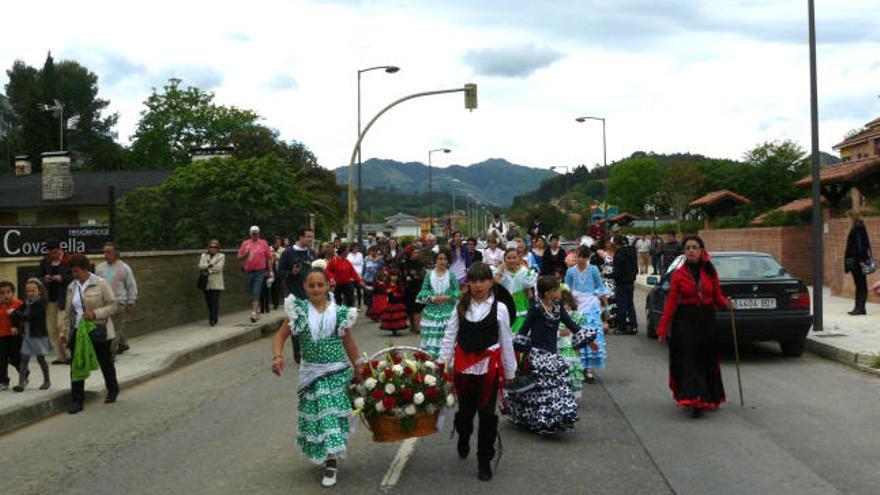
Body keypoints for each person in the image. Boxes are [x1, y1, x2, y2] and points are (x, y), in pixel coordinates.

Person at [271, 268, 361, 487]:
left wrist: (359, 365)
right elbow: (280, 336)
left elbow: (348, 342)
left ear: (328, 286)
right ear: (305, 287)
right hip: (311, 374)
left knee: (330, 415)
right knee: (319, 418)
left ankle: (331, 463)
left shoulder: (340, 313)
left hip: (337, 373)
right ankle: (327, 455)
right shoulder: (299, 311)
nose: (316, 289)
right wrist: (278, 356)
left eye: (320, 285)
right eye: (311, 285)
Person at [440, 262, 517, 481]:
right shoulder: (460, 306)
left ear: (491, 282)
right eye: (473, 281)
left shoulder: (500, 309)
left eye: (482, 280)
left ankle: (484, 459)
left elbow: (506, 342)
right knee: (466, 414)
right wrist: (442, 365)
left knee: (487, 415)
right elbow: (449, 337)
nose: (477, 285)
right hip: (464, 370)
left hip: (489, 371)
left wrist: (510, 372)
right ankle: (463, 435)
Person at [657, 235, 732, 418]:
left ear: (701, 250)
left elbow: (717, 296)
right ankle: (694, 399)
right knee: (690, 359)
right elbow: (671, 303)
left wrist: (727, 304)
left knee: (705, 359)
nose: (691, 250)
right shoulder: (679, 274)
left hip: (706, 319)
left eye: (694, 247)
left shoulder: (710, 271)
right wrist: (662, 328)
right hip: (685, 320)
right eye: (688, 248)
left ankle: (707, 396)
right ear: (684, 252)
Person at [508, 276, 593, 434]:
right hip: (537, 354)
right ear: (548, 293)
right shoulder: (536, 307)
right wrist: (522, 350)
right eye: (556, 289)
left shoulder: (558, 306)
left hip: (553, 355)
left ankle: (557, 419)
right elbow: (524, 329)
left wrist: (584, 335)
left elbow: (571, 324)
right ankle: (540, 421)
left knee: (558, 387)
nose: (560, 291)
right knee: (541, 390)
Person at [62, 253, 120, 414]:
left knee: (104, 361)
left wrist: (95, 313)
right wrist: (64, 332)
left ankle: (113, 389)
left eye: (77, 271)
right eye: (72, 272)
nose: (75, 275)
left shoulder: (100, 284)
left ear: (85, 269)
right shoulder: (72, 287)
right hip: (77, 332)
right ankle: (77, 400)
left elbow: (113, 306)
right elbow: (68, 313)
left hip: (97, 329)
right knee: (77, 365)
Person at [565, 245, 608, 384]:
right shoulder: (570, 271)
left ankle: (589, 369)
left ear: (589, 257)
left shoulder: (594, 269)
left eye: (585, 257)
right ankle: (578, 365)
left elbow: (600, 287)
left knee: (591, 335)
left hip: (591, 305)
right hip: (576, 306)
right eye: (579, 256)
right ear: (575, 256)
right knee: (576, 335)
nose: (581, 259)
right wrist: (567, 306)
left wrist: (606, 308)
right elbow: (567, 290)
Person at [416, 247, 461, 358]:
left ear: (448, 261)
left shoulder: (451, 275)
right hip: (432, 312)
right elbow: (423, 291)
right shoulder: (429, 275)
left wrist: (448, 297)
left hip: (447, 312)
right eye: (440, 258)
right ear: (436, 260)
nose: (442, 261)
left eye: (445, 259)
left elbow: (457, 292)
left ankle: (445, 363)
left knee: (446, 338)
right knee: (431, 339)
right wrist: (431, 297)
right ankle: (430, 362)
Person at [95, 242, 138, 355]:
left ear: (115, 253)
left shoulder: (124, 268)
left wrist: (131, 303)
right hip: (103, 303)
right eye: (104, 251)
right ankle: (123, 344)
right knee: (112, 325)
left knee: (113, 328)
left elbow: (131, 286)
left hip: (118, 302)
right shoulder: (100, 268)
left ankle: (110, 353)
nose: (105, 254)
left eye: (108, 252)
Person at [10, 279, 51, 391]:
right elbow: (16, 313)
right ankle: (21, 383)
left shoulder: (40, 304)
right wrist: (14, 321)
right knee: (24, 360)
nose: (30, 293)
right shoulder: (26, 303)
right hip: (27, 337)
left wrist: (15, 313)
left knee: (41, 359)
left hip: (38, 336)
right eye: (28, 291)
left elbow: (29, 317)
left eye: (33, 291)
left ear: (39, 291)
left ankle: (47, 381)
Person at [35, 240, 71, 364]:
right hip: (50, 299)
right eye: (50, 253)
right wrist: (44, 279)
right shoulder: (45, 262)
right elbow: (37, 278)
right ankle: (60, 356)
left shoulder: (68, 260)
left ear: (59, 250)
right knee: (51, 328)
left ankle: (69, 355)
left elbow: (76, 275)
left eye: (55, 252)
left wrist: (62, 278)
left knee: (63, 326)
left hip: (64, 298)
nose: (52, 256)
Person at [495, 248, 537, 333]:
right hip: (505, 304)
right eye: (508, 258)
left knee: (519, 333)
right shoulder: (501, 272)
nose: (512, 260)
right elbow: (494, 285)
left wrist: (531, 308)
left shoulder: (525, 272)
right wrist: (500, 271)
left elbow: (529, 293)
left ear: (518, 258)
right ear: (504, 259)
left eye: (514, 257)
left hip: (521, 305)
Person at [238, 226, 274, 322]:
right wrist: (245, 254)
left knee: (256, 291)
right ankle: (257, 308)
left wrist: (270, 271)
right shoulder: (245, 243)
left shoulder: (263, 243)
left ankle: (253, 313)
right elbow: (239, 257)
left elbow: (269, 258)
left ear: (259, 233)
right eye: (253, 233)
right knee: (250, 291)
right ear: (250, 234)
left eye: (256, 233)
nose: (255, 235)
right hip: (248, 271)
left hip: (260, 271)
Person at [844, 210, 872, 316]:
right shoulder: (855, 227)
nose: (848, 220)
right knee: (858, 284)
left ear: (852, 217)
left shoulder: (859, 228)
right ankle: (857, 307)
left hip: (858, 261)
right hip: (854, 261)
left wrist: (862, 260)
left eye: (849, 218)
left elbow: (862, 246)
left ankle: (861, 308)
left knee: (861, 284)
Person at [558, 288, 585, 398]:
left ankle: (571, 397)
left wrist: (579, 349)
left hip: (572, 349)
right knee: (561, 373)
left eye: (566, 304)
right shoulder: (553, 316)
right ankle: (561, 396)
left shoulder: (576, 316)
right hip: (558, 348)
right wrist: (559, 333)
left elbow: (581, 335)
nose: (564, 307)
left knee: (573, 374)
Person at [610, 236, 638, 335]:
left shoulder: (619, 253)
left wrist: (609, 275)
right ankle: (633, 326)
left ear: (617, 244)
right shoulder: (632, 251)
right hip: (630, 282)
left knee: (621, 306)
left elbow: (618, 270)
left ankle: (622, 328)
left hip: (621, 283)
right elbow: (635, 268)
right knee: (630, 305)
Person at [0, 281, 24, 390]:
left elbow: (23, 318)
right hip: (1, 336)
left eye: (8, 292)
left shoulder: (19, 304)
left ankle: (24, 373)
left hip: (15, 336)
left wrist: (16, 324)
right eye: (2, 293)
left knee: (15, 358)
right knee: (2, 359)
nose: (5, 295)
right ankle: (3, 381)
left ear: (13, 293)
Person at [198, 240, 226, 326]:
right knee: (208, 301)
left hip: (216, 283)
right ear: (208, 248)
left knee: (214, 300)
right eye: (211, 247)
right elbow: (200, 266)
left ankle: (213, 318)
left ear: (218, 248)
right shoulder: (204, 255)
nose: (213, 249)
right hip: (206, 282)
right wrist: (209, 266)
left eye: (215, 247)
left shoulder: (221, 256)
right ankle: (212, 315)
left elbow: (219, 268)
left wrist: (207, 269)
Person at [401, 245, 426, 334]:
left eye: (417, 252)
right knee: (409, 309)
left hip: (417, 287)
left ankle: (417, 327)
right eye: (415, 252)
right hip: (408, 289)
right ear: (410, 253)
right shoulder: (404, 263)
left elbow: (423, 275)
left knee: (418, 308)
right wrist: (405, 277)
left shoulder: (420, 263)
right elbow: (401, 274)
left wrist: (415, 275)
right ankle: (412, 326)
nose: (417, 254)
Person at [379, 269, 408, 334]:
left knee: (398, 316)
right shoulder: (387, 284)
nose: (394, 277)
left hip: (398, 302)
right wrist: (387, 292)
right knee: (391, 317)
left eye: (395, 276)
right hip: (390, 302)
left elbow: (402, 293)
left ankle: (397, 329)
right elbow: (383, 292)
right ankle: (393, 329)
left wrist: (396, 294)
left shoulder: (399, 284)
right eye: (392, 276)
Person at [362, 246, 384, 312]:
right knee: (368, 296)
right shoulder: (366, 258)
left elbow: (382, 269)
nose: (373, 252)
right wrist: (362, 277)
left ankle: (375, 310)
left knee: (376, 296)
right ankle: (370, 309)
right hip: (367, 280)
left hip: (376, 280)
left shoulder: (380, 259)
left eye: (375, 251)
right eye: (372, 251)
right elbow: (364, 268)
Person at [271, 236, 285, 309]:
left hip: (279, 270)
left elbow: (283, 258)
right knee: (273, 287)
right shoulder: (270, 249)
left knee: (280, 286)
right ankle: (274, 303)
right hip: (272, 271)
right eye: (277, 242)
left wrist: (275, 255)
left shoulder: (282, 250)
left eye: (279, 242)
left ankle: (280, 301)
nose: (278, 243)